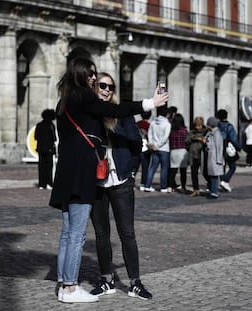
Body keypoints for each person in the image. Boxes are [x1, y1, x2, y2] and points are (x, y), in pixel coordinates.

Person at [49, 57, 168, 303]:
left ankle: (63, 284)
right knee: (77, 235)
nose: (94, 79)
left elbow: (126, 131)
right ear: (80, 74)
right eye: (91, 74)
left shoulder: (66, 100)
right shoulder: (84, 97)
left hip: (68, 173)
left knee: (68, 232)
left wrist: (130, 171)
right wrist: (149, 102)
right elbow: (114, 110)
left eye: (96, 75)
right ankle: (70, 288)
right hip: (83, 175)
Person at [89, 72, 152, 300]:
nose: (107, 90)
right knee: (101, 233)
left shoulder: (121, 115)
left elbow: (137, 143)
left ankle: (135, 283)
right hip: (96, 182)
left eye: (110, 87)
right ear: (94, 87)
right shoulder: (90, 113)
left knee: (127, 234)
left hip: (121, 181)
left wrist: (131, 172)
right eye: (102, 86)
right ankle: (107, 280)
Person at [143, 107, 171, 192]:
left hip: (154, 148)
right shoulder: (167, 124)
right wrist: (158, 145)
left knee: (152, 167)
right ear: (167, 114)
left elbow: (149, 134)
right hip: (164, 148)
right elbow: (165, 137)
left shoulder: (153, 122)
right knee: (164, 168)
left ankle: (147, 185)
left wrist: (153, 144)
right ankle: (163, 187)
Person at [216, 109, 242, 192]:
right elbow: (233, 138)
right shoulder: (229, 126)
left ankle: (223, 181)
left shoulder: (217, 126)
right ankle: (225, 181)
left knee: (221, 166)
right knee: (232, 167)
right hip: (227, 147)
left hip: (218, 147)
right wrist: (238, 147)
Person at [34, 109, 57, 190]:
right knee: (49, 167)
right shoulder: (51, 126)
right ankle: (49, 183)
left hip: (40, 148)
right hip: (49, 149)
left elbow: (36, 137)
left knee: (41, 167)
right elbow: (54, 138)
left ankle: (41, 184)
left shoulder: (39, 125)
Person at [167, 113, 189, 193]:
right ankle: (183, 186)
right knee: (183, 171)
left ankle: (170, 186)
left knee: (173, 171)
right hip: (182, 151)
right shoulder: (184, 130)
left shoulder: (171, 131)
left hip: (173, 151)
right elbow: (187, 142)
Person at [186, 116, 206, 197]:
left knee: (205, 172)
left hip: (202, 155)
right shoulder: (192, 132)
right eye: (196, 125)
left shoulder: (205, 132)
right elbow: (186, 141)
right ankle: (195, 189)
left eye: (199, 125)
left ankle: (211, 187)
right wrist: (193, 138)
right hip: (193, 155)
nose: (198, 127)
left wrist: (202, 139)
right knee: (194, 173)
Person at [204, 117, 223, 199]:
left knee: (214, 175)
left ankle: (214, 192)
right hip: (211, 156)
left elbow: (219, 146)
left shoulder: (216, 133)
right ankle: (213, 190)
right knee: (212, 174)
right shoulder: (210, 133)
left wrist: (219, 159)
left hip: (215, 157)